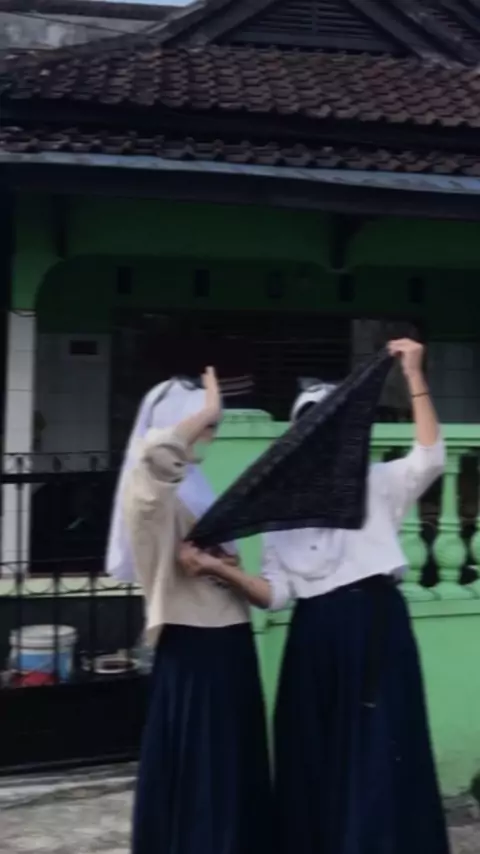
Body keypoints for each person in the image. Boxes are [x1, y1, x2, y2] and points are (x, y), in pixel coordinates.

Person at [180, 340, 450, 854]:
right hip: (314, 637)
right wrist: (217, 568)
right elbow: (275, 594)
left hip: (375, 626)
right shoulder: (279, 514)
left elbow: (430, 459)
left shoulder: (376, 484)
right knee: (314, 755)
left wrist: (414, 375)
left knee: (380, 749)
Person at [106, 369, 271, 854]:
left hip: (227, 635)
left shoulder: (194, 486)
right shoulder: (151, 490)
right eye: (207, 426)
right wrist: (205, 410)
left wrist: (222, 563)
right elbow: (155, 457)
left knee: (229, 763)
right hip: (195, 640)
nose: (212, 434)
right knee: (207, 767)